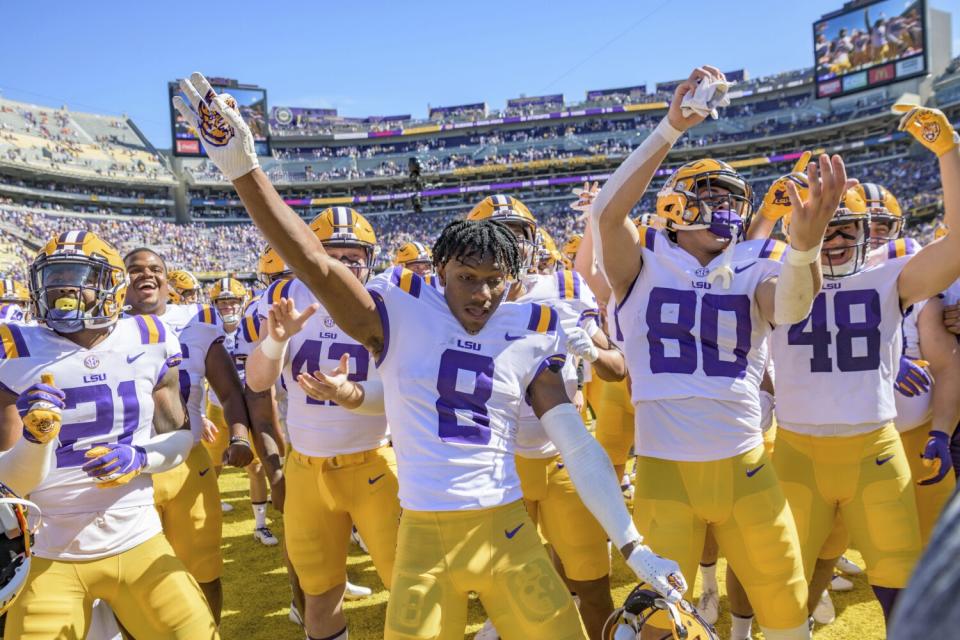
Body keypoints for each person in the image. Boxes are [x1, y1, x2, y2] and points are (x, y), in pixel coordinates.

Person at [174, 71, 686, 640]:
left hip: (508, 528)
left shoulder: (530, 325)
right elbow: (315, 262)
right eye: (467, 277)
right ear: (439, 272)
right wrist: (244, 170)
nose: (482, 293)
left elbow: (574, 438)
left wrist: (632, 544)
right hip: (423, 532)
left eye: (495, 280)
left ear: (515, 278)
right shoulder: (400, 314)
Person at [590, 65, 853, 640]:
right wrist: (669, 129)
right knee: (659, 624)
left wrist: (804, 250)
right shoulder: (644, 257)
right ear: (674, 205)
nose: (722, 206)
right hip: (663, 473)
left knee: (785, 612)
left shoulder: (755, 261)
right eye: (707, 194)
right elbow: (606, 213)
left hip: (747, 467)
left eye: (731, 197)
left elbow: (787, 307)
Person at [768, 105, 960, 627]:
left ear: (865, 232)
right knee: (786, 587)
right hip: (795, 450)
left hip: (875, 449)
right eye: (823, 229)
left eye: (843, 228)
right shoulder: (769, 277)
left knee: (899, 583)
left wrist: (949, 153)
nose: (832, 240)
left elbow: (958, 247)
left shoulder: (888, 277)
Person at [0, 230, 217, 639]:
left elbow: (180, 439)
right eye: (53, 278)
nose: (63, 288)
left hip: (137, 536)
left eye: (76, 276)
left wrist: (140, 458)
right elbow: (7, 485)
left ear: (111, 285)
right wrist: (34, 442)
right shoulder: (13, 348)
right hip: (50, 548)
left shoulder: (150, 337)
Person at [244, 207, 401, 640]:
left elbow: (403, 394)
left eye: (354, 257)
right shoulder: (285, 294)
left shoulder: (388, 298)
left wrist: (347, 394)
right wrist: (276, 339)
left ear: (371, 259)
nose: (345, 266)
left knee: (409, 588)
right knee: (318, 593)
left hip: (375, 465)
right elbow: (257, 381)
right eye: (334, 254)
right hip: (307, 468)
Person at [124, 248, 255, 624]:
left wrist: (240, 437)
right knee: (134, 578)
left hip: (188, 462)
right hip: (130, 469)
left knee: (204, 571)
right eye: (135, 269)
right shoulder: (105, 329)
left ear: (169, 281)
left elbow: (230, 391)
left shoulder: (196, 322)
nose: (146, 275)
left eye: (155, 269)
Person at [204, 277, 277, 545]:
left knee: (255, 468)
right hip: (215, 407)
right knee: (210, 467)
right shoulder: (207, 330)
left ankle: (260, 525)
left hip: (248, 408)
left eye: (232, 301)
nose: (227, 307)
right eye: (222, 302)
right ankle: (206, 517)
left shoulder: (255, 327)